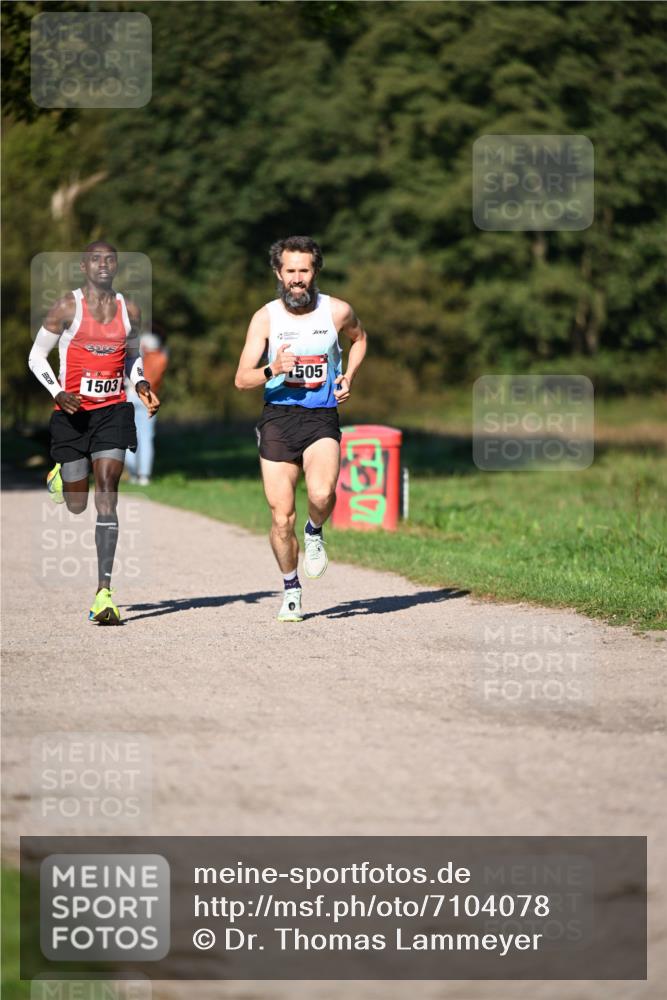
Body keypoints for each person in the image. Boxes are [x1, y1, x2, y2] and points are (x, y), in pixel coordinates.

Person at [234, 235, 367, 622]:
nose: (297, 278)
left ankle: (314, 530)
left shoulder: (337, 311)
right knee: (280, 518)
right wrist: (272, 368)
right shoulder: (265, 318)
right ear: (278, 273)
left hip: (320, 416)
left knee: (322, 494)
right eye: (290, 270)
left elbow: (360, 340)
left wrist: (348, 376)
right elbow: (241, 379)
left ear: (315, 271)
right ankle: (291, 589)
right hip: (278, 418)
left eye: (304, 270)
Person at [28, 241, 160, 625]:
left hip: (112, 412)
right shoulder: (66, 307)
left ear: (116, 266)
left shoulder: (129, 310)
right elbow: (36, 356)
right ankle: (61, 474)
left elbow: (132, 357)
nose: (104, 265)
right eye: (96, 260)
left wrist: (140, 383)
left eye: (110, 260)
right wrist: (57, 392)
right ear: (84, 267)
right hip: (72, 413)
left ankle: (104, 593)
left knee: (107, 492)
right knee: (76, 503)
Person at [125, 327, 168, 485]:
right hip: (149, 397)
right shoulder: (162, 358)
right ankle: (144, 476)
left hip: (130, 395)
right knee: (146, 438)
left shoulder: (135, 355)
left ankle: (133, 474)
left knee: (129, 437)